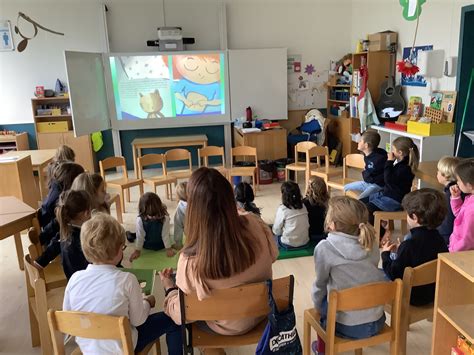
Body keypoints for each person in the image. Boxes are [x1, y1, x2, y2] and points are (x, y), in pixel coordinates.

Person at [160, 167, 278, 336]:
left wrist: (169, 289)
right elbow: (273, 255)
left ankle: (214, 350)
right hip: (262, 314)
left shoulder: (189, 260)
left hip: (223, 328)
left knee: (190, 320)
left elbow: (180, 315)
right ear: (230, 199)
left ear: (193, 210)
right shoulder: (256, 224)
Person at [63, 213, 182, 354]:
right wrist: (147, 302)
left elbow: (67, 318)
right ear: (119, 250)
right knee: (173, 320)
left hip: (89, 349)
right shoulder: (127, 280)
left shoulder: (75, 279)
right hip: (123, 348)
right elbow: (138, 320)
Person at [312, 196, 386, 353]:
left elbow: (320, 284)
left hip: (346, 326)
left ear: (331, 224)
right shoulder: (370, 242)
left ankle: (322, 349)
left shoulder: (325, 248)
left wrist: (317, 307)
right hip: (377, 320)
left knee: (321, 305)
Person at [381, 189, 448, 306]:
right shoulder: (440, 239)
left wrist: (385, 254)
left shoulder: (409, 245)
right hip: (433, 293)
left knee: (379, 274)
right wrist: (400, 251)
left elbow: (394, 274)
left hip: (412, 296)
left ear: (414, 217)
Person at [365, 137, 419, 225]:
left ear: (400, 153)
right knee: (361, 202)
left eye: (393, 149)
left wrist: (389, 162)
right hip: (388, 195)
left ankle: (380, 232)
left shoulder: (404, 168)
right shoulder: (401, 164)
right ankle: (379, 224)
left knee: (367, 209)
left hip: (395, 200)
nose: (390, 152)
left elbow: (388, 180)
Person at [38, 162, 85, 245]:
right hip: (60, 241)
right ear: (72, 181)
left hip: (56, 237)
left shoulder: (55, 189)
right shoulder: (61, 201)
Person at [56, 190, 92, 279]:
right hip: (87, 285)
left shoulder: (65, 232)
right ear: (86, 213)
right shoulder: (83, 238)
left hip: (73, 283)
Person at [129, 192, 175, 262]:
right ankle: (130, 235)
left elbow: (165, 235)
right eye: (150, 216)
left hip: (161, 244)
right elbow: (140, 236)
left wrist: (168, 249)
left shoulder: (165, 218)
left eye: (155, 215)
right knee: (137, 235)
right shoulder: (139, 220)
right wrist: (137, 251)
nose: (153, 218)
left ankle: (131, 235)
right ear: (143, 211)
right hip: (147, 245)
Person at [344, 131, 387, 199]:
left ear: (366, 145)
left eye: (360, 141)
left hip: (377, 185)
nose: (358, 142)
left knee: (360, 200)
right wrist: (366, 172)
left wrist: (365, 172)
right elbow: (367, 176)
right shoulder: (368, 154)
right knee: (346, 187)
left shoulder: (377, 159)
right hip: (368, 182)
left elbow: (368, 176)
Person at [272, 181, 309, 249]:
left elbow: (276, 231)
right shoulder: (303, 206)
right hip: (304, 241)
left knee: (271, 236)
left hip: (288, 243)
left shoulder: (282, 209)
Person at [449, 158, 474, 252]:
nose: (457, 183)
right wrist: (456, 198)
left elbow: (467, 242)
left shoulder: (472, 211)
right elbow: (459, 215)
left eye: (458, 180)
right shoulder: (470, 198)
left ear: (469, 185)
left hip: (460, 253)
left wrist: (451, 251)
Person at [435, 156, 461, 245]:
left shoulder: (451, 194)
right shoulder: (456, 188)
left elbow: (448, 222)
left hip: (446, 236)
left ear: (446, 176)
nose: (436, 172)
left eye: (438, 171)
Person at [303, 177, 329, 245]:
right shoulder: (329, 203)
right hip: (324, 235)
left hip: (310, 236)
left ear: (309, 189)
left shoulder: (303, 203)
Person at [173, 182, 187, 248]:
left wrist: (178, 243)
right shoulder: (199, 203)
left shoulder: (180, 207)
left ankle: (178, 245)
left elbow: (178, 226)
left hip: (189, 233)